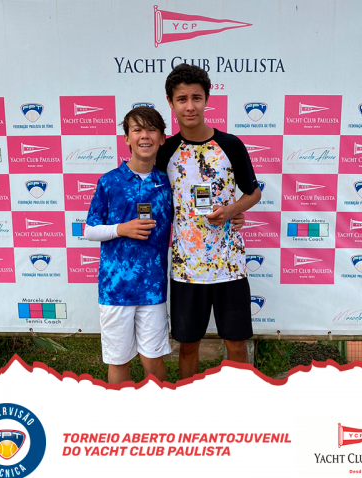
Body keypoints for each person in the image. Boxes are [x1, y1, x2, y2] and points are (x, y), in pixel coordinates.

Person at [156, 63, 261, 379]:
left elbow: (253, 193)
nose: (190, 106)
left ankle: (242, 401)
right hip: (187, 269)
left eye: (196, 98)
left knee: (236, 344)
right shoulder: (166, 151)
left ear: (206, 100)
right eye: (182, 99)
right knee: (188, 346)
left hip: (229, 265)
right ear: (170, 102)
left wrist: (231, 210)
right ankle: (188, 402)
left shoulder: (230, 145)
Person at [85, 107, 172, 384]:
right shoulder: (109, 181)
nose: (144, 136)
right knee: (119, 360)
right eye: (137, 130)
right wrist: (121, 229)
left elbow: (193, 218)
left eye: (151, 130)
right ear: (127, 138)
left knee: (152, 360)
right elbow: (90, 230)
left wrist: (232, 215)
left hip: (153, 289)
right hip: (115, 290)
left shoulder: (168, 183)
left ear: (162, 138)